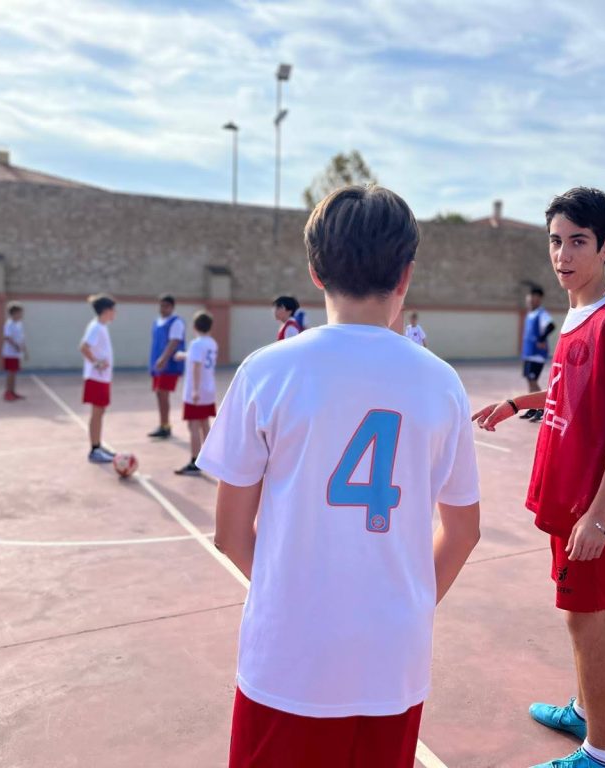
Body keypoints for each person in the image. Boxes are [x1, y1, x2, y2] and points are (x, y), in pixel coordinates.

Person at [199, 185, 481, 768]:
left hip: (289, 658)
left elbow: (229, 533)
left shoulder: (267, 372)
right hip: (393, 658)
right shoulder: (441, 383)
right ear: (406, 275)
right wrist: (403, 607)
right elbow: (463, 531)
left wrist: (297, 597)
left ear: (315, 271)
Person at [473, 188, 605, 768]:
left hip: (587, 507)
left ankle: (600, 752)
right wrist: (516, 402)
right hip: (564, 497)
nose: (563, 254)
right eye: (555, 241)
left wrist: (598, 514)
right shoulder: (575, 315)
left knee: (587, 620)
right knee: (577, 618)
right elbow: (567, 391)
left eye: (577, 242)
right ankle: (581, 710)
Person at [174, 312, 218, 475]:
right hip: (209, 390)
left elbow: (197, 366)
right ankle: (210, 457)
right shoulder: (212, 343)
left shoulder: (196, 344)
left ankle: (194, 461)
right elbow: (198, 357)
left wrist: (194, 390)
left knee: (193, 425)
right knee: (204, 423)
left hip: (196, 392)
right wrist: (184, 355)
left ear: (194, 327)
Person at [80, 294, 116, 463]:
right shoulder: (95, 327)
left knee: (100, 411)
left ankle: (98, 445)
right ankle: (94, 449)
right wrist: (96, 363)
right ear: (106, 310)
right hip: (96, 378)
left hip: (102, 378)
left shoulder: (101, 326)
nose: (115, 313)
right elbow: (84, 347)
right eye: (113, 310)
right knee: (97, 412)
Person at [148, 294, 186, 439]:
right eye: (161, 306)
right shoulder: (157, 322)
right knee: (159, 394)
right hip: (157, 363)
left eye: (166, 306)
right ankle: (163, 424)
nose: (162, 309)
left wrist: (164, 358)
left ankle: (166, 426)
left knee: (163, 393)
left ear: (172, 307)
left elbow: (174, 342)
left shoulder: (176, 322)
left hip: (169, 365)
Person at [520, 287, 555, 422]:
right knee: (529, 381)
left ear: (539, 298)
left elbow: (551, 326)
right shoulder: (530, 314)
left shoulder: (541, 313)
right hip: (528, 353)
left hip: (537, 354)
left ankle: (542, 408)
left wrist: (541, 339)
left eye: (534, 296)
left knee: (533, 381)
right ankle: (533, 408)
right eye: (529, 296)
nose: (531, 299)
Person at [2, 302, 26, 401]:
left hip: (16, 354)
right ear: (14, 313)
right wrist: (16, 346)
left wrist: (24, 350)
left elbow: (21, 338)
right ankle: (7, 393)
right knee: (11, 373)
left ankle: (13, 392)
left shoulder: (19, 324)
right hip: (10, 353)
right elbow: (7, 337)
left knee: (14, 373)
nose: (21, 314)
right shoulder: (9, 324)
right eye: (20, 312)